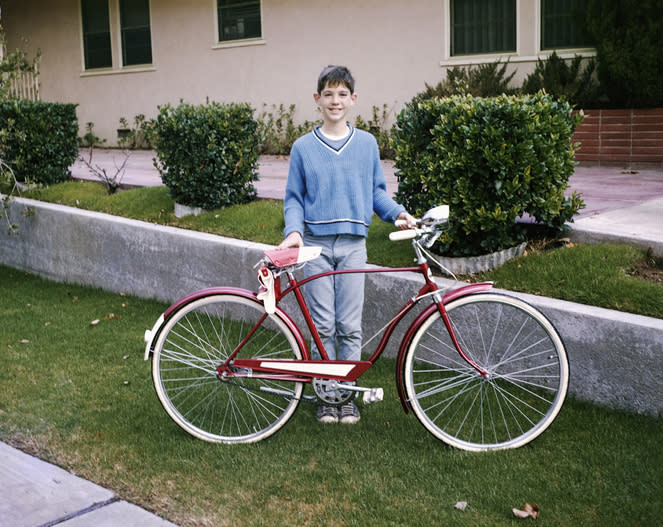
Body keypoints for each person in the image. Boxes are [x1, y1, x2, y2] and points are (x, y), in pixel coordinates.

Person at [276, 65, 415, 424]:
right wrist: (294, 231)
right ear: (317, 99)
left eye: (342, 94)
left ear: (353, 99)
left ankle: (347, 396)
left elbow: (376, 194)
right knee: (323, 325)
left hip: (354, 247)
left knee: (349, 326)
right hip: (316, 247)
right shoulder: (304, 148)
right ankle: (328, 395)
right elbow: (294, 198)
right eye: (328, 94)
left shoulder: (366, 144)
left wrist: (398, 214)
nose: (334, 101)